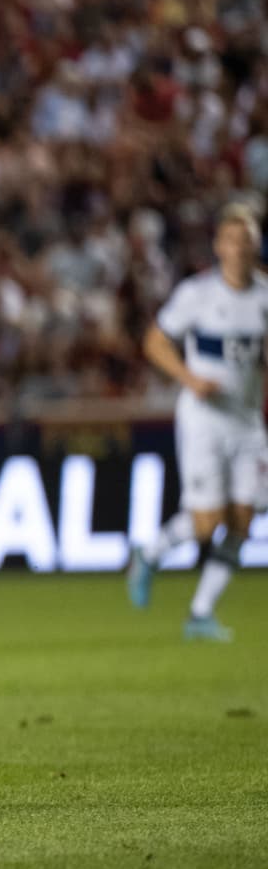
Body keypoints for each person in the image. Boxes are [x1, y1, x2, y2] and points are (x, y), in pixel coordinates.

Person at [127, 202, 268, 641]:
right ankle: (150, 553)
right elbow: (155, 341)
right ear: (218, 246)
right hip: (204, 420)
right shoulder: (198, 294)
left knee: (243, 519)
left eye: (247, 240)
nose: (240, 248)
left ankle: (200, 613)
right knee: (207, 523)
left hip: (247, 422)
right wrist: (189, 378)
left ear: (256, 245)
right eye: (233, 240)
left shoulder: (265, 296)